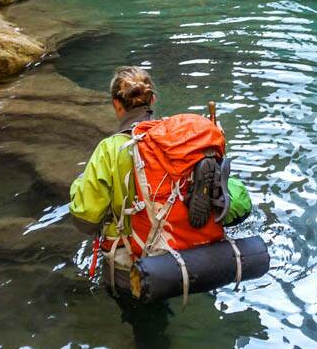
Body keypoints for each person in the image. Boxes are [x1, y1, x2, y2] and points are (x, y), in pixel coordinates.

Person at [69, 67, 252, 271]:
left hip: (137, 264)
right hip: (199, 257)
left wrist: (78, 185)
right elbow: (241, 210)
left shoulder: (110, 149)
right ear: (153, 100)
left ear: (116, 104)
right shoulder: (183, 138)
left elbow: (85, 220)